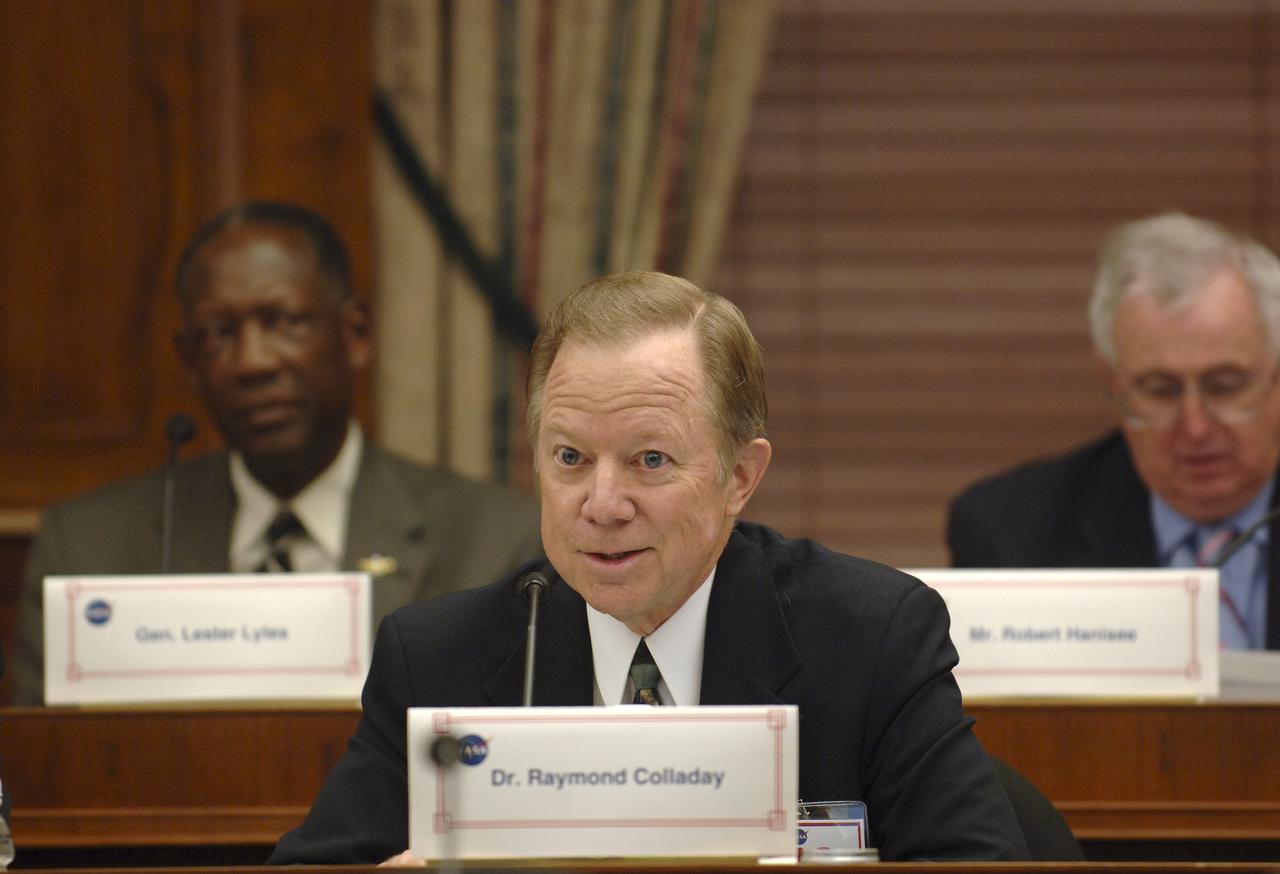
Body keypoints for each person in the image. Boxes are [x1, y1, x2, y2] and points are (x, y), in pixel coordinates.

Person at [269, 271, 1029, 864]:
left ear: (740, 476)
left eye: (650, 459)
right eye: (570, 458)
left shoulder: (870, 638)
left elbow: (975, 865)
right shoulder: (438, 658)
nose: (601, 503)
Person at [13, 200, 542, 705]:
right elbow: (50, 776)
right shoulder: (88, 552)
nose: (252, 362)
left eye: (283, 322)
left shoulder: (493, 546)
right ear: (190, 362)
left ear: (354, 334)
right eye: (220, 333)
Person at [948, 212, 1280, 651]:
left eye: (1225, 386)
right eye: (1159, 391)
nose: (1195, 427)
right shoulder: (1010, 535)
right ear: (1114, 383)